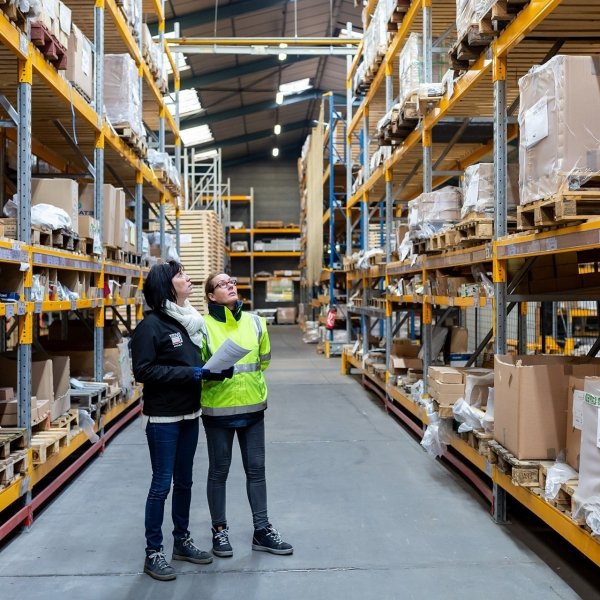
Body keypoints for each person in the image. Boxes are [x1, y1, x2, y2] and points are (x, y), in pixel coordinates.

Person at [131, 261, 233, 581]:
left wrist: (213, 370)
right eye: (180, 275)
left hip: (190, 414)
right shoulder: (151, 326)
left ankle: (182, 541)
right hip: (163, 417)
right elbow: (144, 371)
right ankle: (153, 552)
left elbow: (192, 364)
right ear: (166, 285)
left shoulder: (189, 321)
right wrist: (193, 373)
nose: (188, 278)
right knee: (162, 485)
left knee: (185, 482)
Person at [199, 272, 293, 558]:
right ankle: (219, 530)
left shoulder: (255, 322)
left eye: (231, 282)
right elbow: (198, 369)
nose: (230, 286)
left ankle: (262, 530)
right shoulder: (203, 326)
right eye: (222, 284)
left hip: (253, 408)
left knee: (256, 470)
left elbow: (263, 362)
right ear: (211, 296)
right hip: (218, 409)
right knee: (219, 471)